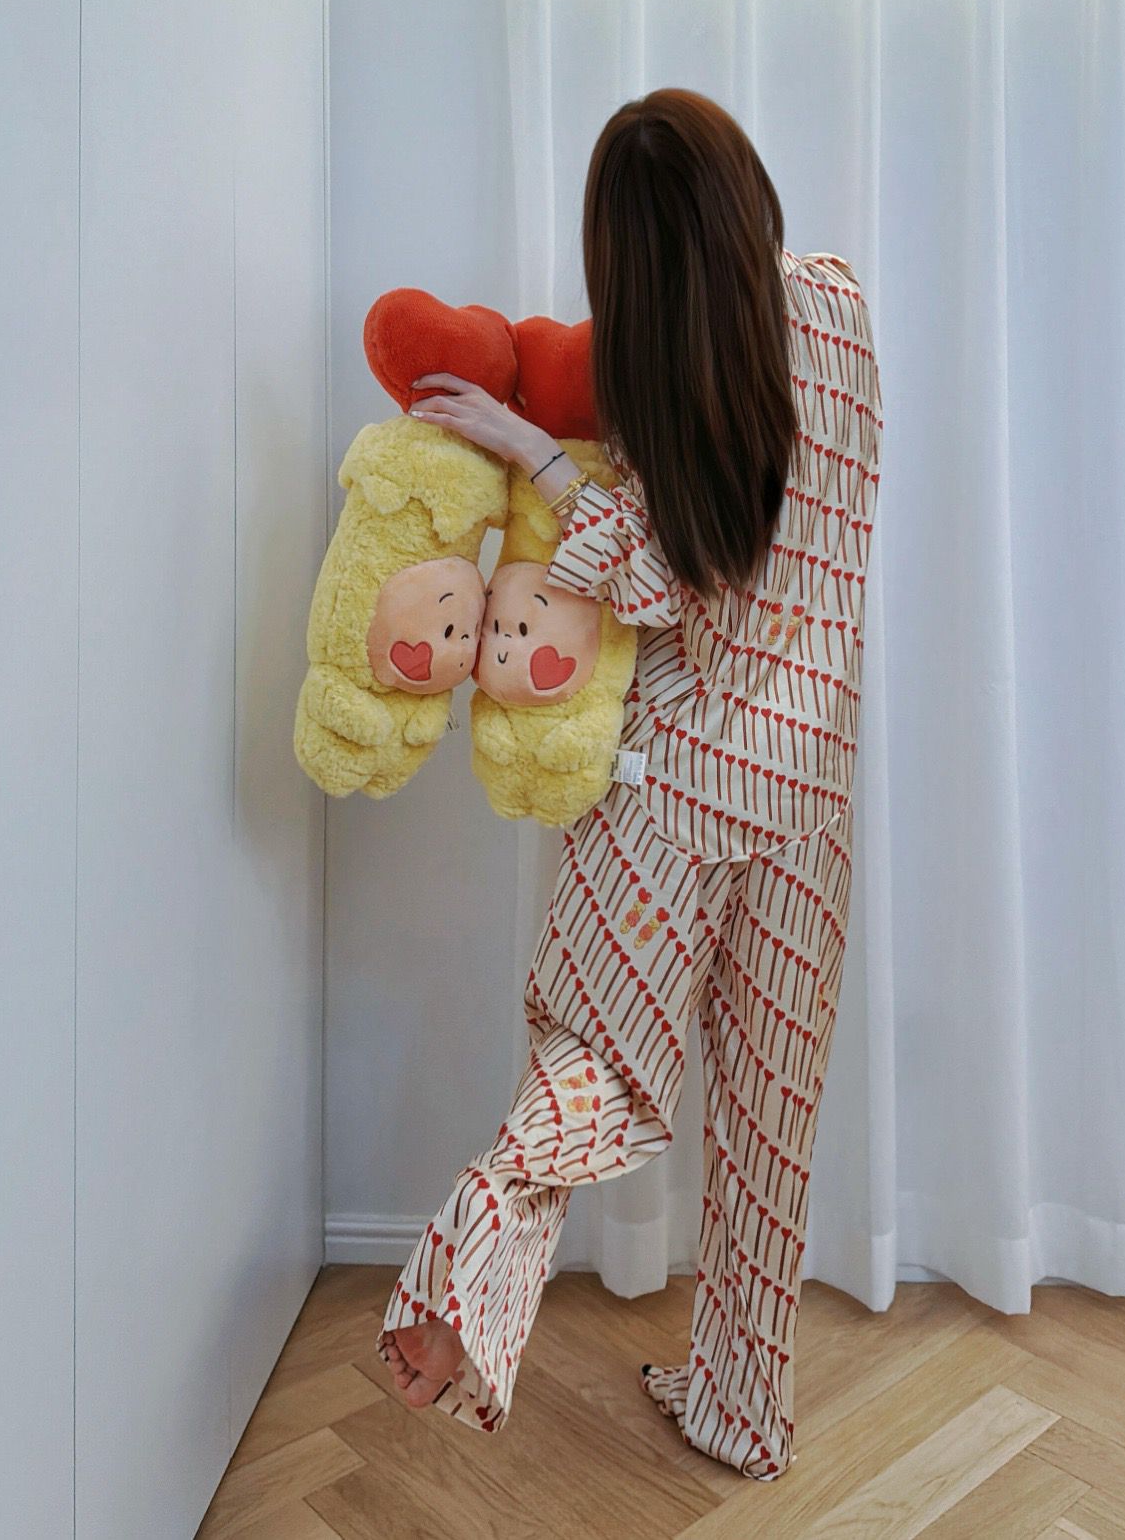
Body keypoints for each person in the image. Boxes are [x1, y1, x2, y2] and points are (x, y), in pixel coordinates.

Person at [379, 88, 884, 1481]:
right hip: (806, 794)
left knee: (595, 1061)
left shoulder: (665, 385)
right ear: (746, 193)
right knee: (770, 1125)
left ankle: (462, 1267)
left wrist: (534, 452)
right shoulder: (840, 310)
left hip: (671, 787)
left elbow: (658, 581)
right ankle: (742, 1411)